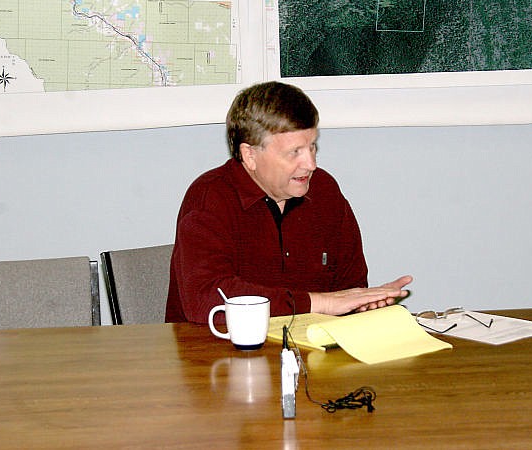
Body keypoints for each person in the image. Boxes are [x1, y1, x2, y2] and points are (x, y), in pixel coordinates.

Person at [165, 81, 412, 323]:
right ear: (250, 155)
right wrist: (319, 303)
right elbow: (205, 298)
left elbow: (349, 285)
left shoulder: (324, 190)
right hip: (215, 355)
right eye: (295, 152)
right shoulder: (210, 197)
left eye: (312, 147)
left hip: (309, 354)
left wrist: (359, 305)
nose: (311, 164)